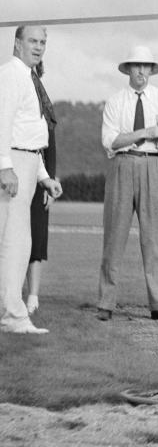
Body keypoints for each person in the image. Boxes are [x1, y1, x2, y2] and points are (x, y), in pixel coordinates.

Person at [96, 46, 158, 322]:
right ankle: (106, 303)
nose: (141, 71)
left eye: (146, 66)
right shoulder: (115, 101)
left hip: (154, 167)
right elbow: (110, 141)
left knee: (155, 239)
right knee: (114, 237)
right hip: (122, 166)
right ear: (128, 69)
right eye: (136, 66)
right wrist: (144, 132)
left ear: (151, 70)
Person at [0, 25, 63, 334]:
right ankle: (12, 315)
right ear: (17, 43)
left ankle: (13, 314)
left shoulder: (30, 78)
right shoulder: (11, 74)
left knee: (19, 242)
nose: (38, 47)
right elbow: (3, 121)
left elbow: (32, 133)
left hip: (26, 160)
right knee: (10, 242)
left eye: (43, 42)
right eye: (32, 41)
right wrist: (4, 167)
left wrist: (43, 176)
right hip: (11, 161)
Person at [24, 60, 58, 315]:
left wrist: (49, 183)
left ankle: (33, 296)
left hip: (40, 180)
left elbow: (51, 151)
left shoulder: (47, 109)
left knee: (37, 239)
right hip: (16, 173)